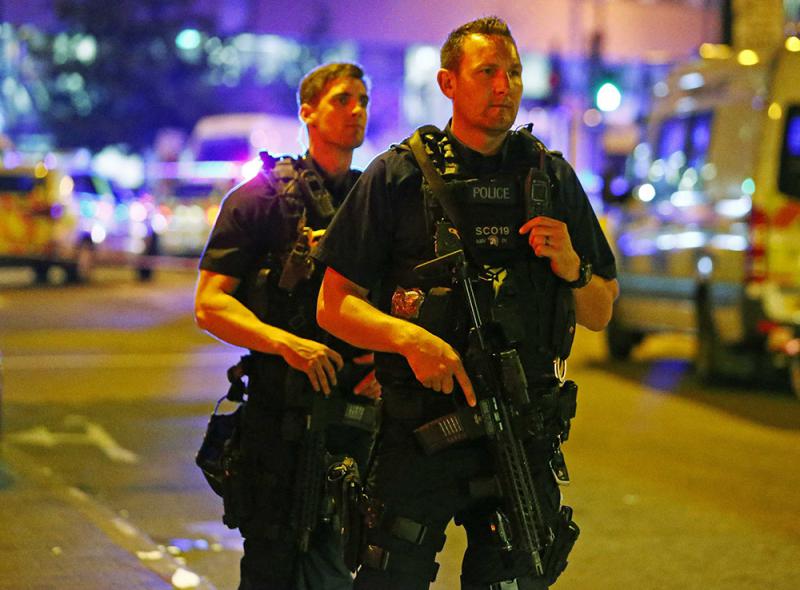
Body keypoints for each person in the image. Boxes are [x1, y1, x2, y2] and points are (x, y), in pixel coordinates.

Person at [315, 17, 619, 590]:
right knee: (390, 578)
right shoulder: (398, 175)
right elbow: (333, 306)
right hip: (420, 432)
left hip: (520, 433)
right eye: (487, 72)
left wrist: (573, 267)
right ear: (448, 83)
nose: (505, 86)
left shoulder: (551, 178)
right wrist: (411, 341)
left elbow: (600, 312)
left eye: (514, 73)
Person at [194, 62, 380, 590]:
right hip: (280, 415)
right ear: (307, 112)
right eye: (342, 99)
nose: (356, 110)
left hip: (354, 418)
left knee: (342, 563)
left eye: (363, 100)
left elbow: (400, 299)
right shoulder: (260, 198)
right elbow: (210, 304)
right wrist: (287, 345)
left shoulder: (374, 200)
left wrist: (386, 362)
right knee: (272, 564)